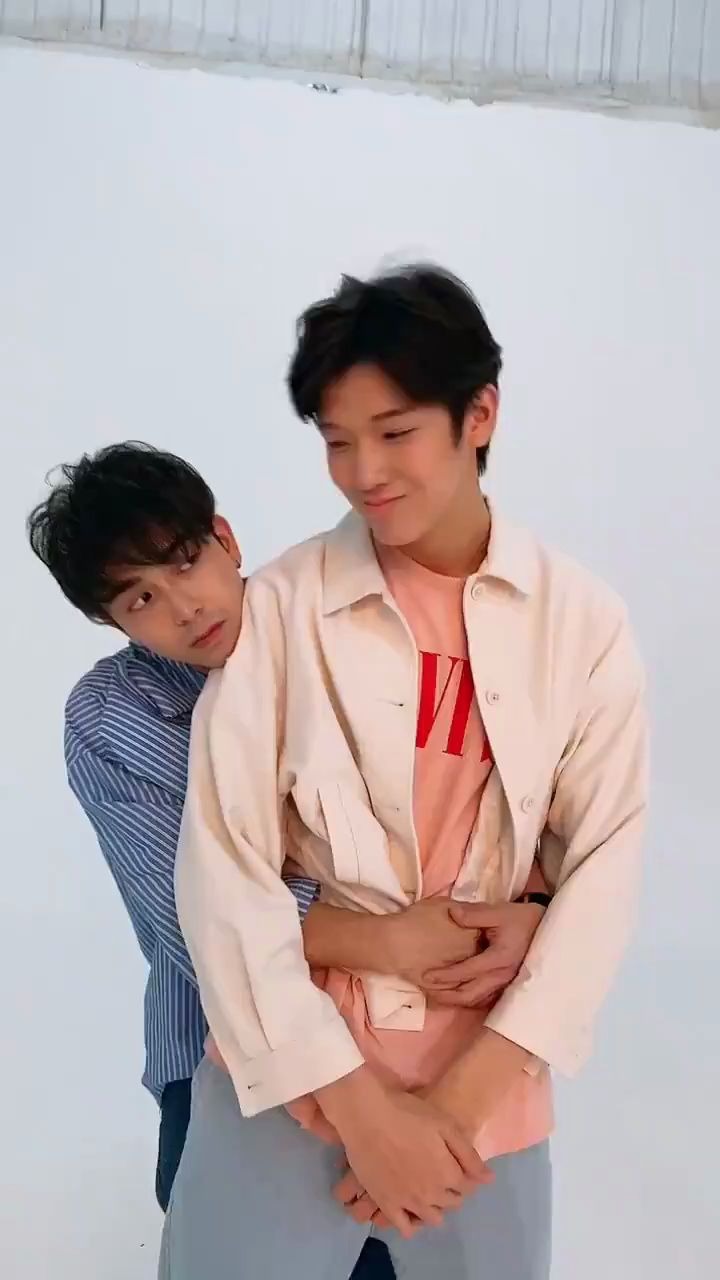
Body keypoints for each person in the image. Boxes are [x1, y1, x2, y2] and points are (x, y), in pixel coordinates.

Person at [162, 264, 648, 1280]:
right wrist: (362, 1110)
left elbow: (605, 868)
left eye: (394, 433)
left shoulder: (583, 623)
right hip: (289, 1072)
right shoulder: (280, 610)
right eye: (337, 440)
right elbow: (225, 876)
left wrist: (454, 1113)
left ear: (480, 414)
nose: (363, 471)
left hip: (490, 1084)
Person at [27, 442, 544, 1277]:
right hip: (224, 1053)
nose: (185, 608)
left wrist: (531, 911)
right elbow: (190, 919)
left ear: (225, 538)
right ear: (109, 621)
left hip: (427, 1037)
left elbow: (486, 804)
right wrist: (390, 940)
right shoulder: (113, 718)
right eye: (140, 598)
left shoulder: (351, 625)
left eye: (185, 561)